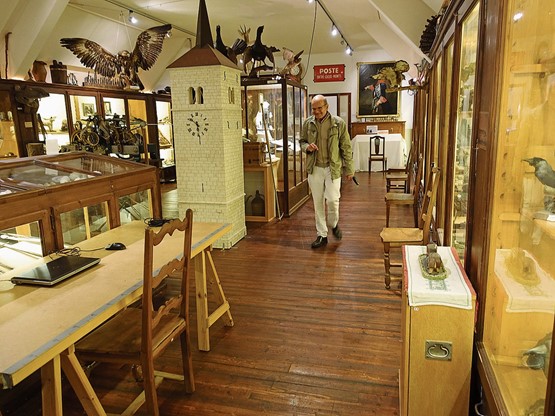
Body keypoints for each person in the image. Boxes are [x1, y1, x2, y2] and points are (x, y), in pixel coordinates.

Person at [300, 95, 355, 249]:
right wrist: (307, 148)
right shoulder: (308, 123)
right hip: (315, 168)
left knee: (332, 199)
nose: (316, 111)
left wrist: (350, 169)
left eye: (319, 108)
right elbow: (302, 142)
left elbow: (346, 147)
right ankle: (322, 235)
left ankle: (334, 224)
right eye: (314, 108)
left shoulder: (338, 123)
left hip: (333, 169)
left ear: (327, 106)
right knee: (317, 203)